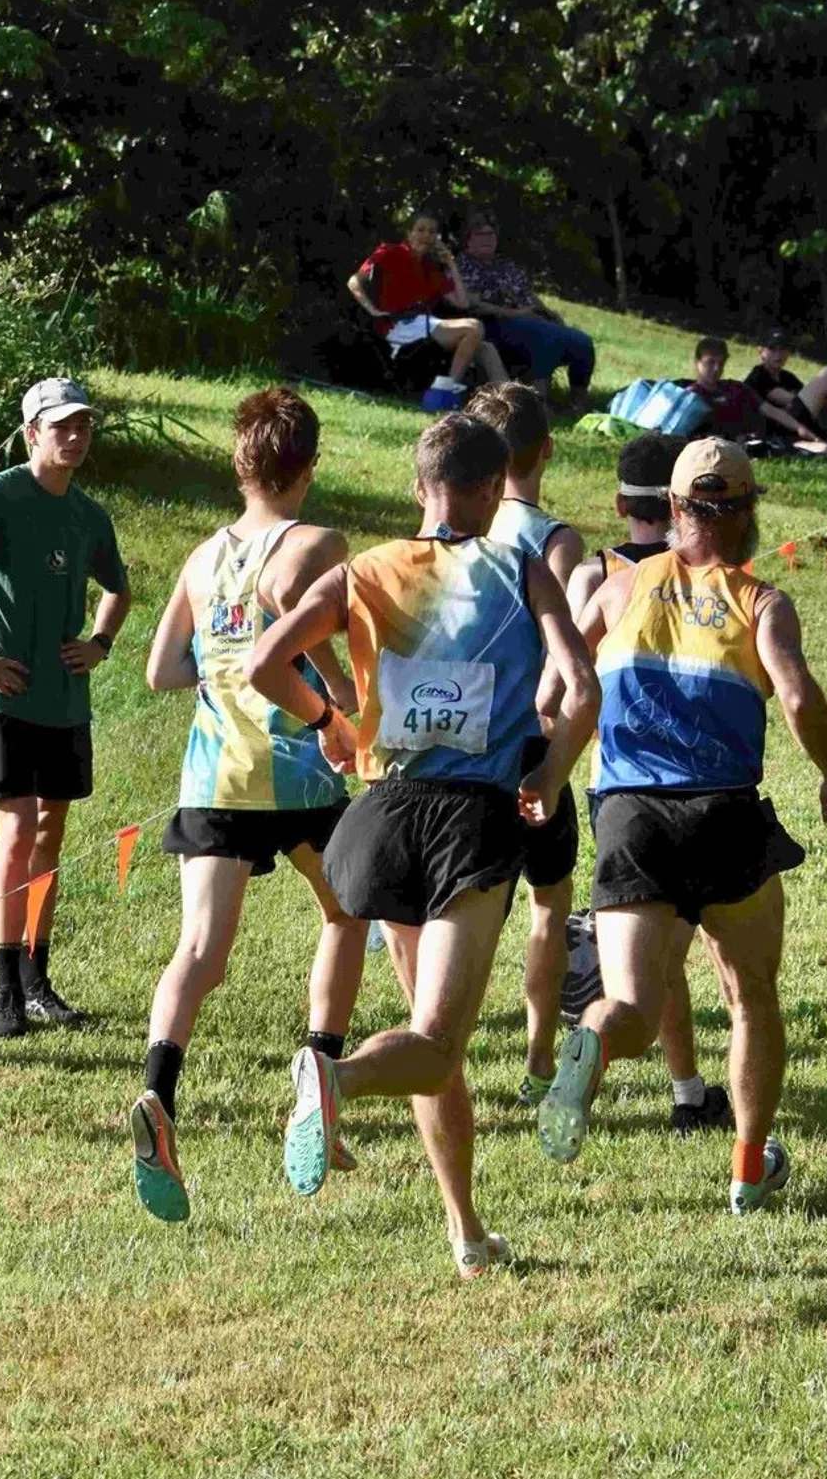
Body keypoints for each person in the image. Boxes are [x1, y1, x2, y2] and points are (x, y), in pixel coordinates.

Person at [245, 412, 599, 1278]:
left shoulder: (361, 571)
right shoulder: (517, 564)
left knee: (427, 1046)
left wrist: (330, 717)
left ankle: (466, 1231)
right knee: (437, 1043)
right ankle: (330, 1081)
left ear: (417, 489)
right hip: (471, 821)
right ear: (489, 490)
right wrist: (550, 777)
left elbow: (261, 664)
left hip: (382, 818)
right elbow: (581, 686)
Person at [536, 439, 827, 1215]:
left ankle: (594, 1044)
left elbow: (561, 688)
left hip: (629, 818)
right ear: (747, 512)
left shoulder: (617, 589)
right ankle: (749, 1168)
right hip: (724, 814)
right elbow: (795, 696)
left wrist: (549, 760)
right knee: (751, 998)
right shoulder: (761, 601)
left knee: (634, 1010)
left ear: (675, 509)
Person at [132, 388, 368, 1222]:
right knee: (345, 915)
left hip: (216, 777)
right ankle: (320, 1075)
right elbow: (286, 598)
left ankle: (159, 1093)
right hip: (301, 769)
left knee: (199, 949)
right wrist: (336, 694)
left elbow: (162, 668)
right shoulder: (319, 539)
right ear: (306, 467)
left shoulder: (201, 557)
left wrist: (224, 668)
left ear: (240, 466)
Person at [0, 377, 133, 1040]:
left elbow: (118, 590)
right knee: (16, 832)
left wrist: (100, 642)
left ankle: (38, 981)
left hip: (65, 702)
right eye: (60, 425)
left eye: (83, 425)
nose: (73, 436)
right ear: (32, 431)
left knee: (51, 836)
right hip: (4, 698)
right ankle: (5, 991)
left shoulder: (90, 514)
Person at [564, 430, 734, 1136]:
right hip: (696, 782)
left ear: (619, 502)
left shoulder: (599, 575)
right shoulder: (708, 576)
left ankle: (689, 1090)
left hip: (615, 783)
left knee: (662, 956)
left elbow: (566, 677)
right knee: (679, 960)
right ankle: (684, 1089)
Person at [462, 383, 586, 1109]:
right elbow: (561, 655)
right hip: (530, 744)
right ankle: (538, 1055)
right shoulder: (555, 539)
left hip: (460, 740)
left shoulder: (457, 522)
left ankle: (442, 1041)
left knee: (471, 911)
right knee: (549, 904)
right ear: (547, 450)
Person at [347, 210, 508, 408]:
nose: (426, 236)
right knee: (473, 327)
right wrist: (372, 310)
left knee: (486, 348)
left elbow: (462, 302)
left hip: (423, 326)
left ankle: (510, 404)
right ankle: (445, 391)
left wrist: (450, 262)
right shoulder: (389, 252)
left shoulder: (430, 268)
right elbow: (354, 282)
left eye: (431, 232)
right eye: (420, 230)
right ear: (409, 233)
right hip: (398, 325)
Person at [452, 211, 597, 408]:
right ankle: (538, 402)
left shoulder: (506, 265)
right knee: (548, 337)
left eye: (490, 234)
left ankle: (577, 403)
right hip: (493, 323)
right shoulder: (463, 266)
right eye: (480, 235)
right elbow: (472, 304)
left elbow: (527, 293)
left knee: (581, 341)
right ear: (468, 240)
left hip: (527, 319)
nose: (487, 239)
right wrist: (514, 314)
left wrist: (547, 312)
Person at [741, 328, 827, 455]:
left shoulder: (788, 377)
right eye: (772, 349)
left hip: (800, 424)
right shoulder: (758, 375)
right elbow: (788, 400)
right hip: (779, 432)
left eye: (783, 349)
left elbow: (801, 401)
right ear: (761, 351)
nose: (778, 354)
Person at [687, 337, 765, 440]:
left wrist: (794, 427)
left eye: (721, 363)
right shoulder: (690, 398)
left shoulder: (735, 388)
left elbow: (769, 410)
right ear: (697, 362)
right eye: (711, 362)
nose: (716, 369)